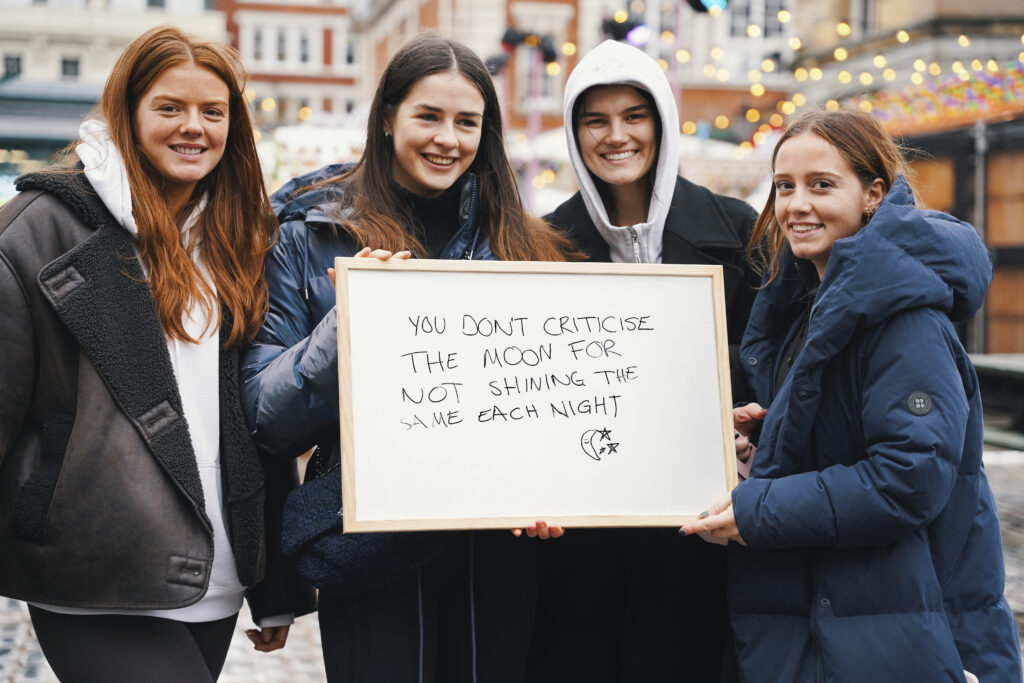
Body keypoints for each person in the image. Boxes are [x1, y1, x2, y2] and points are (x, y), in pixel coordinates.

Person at [240, 33, 577, 683]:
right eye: (429, 115)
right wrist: (345, 327)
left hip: (496, 547)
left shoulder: (525, 244)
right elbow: (264, 416)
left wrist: (554, 486)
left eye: (466, 122)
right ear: (388, 116)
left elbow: (552, 401)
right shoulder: (307, 230)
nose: (446, 138)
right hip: (370, 537)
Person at [0, 24, 315, 683]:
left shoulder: (236, 239)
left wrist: (275, 583)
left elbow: (250, 423)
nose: (192, 127)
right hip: (93, 568)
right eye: (170, 107)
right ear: (127, 111)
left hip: (215, 573)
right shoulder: (39, 227)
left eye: (212, 111)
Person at [682, 107, 1023, 682]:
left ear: (873, 194)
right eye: (784, 186)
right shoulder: (811, 305)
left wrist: (758, 509)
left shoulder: (903, 318)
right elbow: (854, 433)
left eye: (822, 185)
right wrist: (764, 440)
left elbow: (909, 474)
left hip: (891, 638)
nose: (797, 205)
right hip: (834, 626)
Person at [528, 39, 760, 682]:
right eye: (595, 120)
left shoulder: (738, 229)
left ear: (661, 122)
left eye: (635, 115)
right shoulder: (544, 243)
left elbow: (772, 361)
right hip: (583, 536)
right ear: (575, 133)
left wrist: (680, 372)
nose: (616, 136)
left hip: (704, 526)